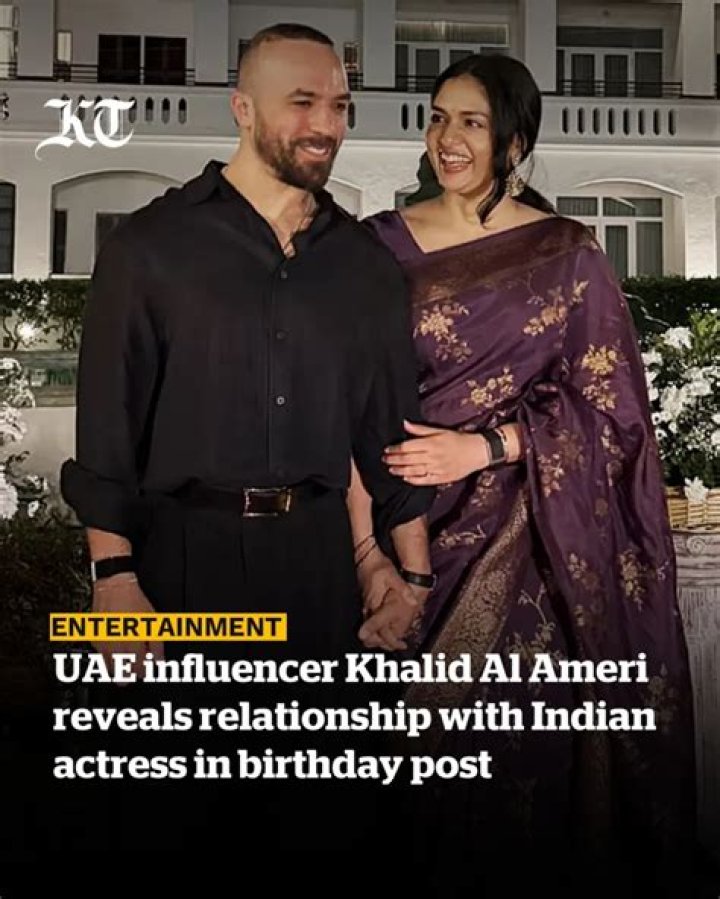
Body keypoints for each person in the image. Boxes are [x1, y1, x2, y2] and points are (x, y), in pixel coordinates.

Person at [56, 22, 434, 875]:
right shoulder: (148, 248)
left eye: (338, 105)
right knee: (177, 826)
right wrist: (113, 577)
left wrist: (407, 574)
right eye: (302, 102)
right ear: (242, 108)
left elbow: (389, 435)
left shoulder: (365, 267)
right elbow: (108, 430)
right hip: (182, 569)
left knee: (328, 825)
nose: (326, 124)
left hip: (319, 574)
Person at [354, 54, 703, 896]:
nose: (448, 138)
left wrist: (490, 447)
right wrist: (367, 553)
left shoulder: (566, 254)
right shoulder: (375, 247)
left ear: (513, 142)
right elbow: (347, 402)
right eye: (439, 116)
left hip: (529, 543)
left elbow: (615, 415)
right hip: (398, 527)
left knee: (519, 768)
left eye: (472, 122)